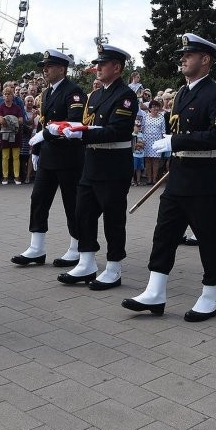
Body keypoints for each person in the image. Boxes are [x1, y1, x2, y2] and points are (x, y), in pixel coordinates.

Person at [122, 34, 216, 321]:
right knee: (164, 234)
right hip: (179, 174)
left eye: (189, 55)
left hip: (204, 177)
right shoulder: (182, 93)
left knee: (208, 238)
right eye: (183, 55)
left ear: (205, 59)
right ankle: (155, 292)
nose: (182, 59)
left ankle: (210, 295)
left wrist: (177, 142)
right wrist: (174, 145)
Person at [57, 44, 137, 290]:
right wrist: (67, 129)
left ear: (117, 67)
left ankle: (113, 268)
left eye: (103, 64)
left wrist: (82, 134)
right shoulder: (95, 95)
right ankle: (87, 262)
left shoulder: (125, 95)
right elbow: (87, 123)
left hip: (113, 165)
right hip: (92, 163)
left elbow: (117, 130)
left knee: (113, 218)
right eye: (97, 64)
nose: (98, 68)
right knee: (83, 214)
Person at [12, 50, 86, 267]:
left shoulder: (73, 92)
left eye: (49, 66)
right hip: (48, 155)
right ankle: (36, 248)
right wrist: (37, 149)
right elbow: (44, 124)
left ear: (62, 69)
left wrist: (47, 134)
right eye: (44, 67)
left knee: (72, 203)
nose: (45, 70)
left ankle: (76, 247)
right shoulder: (46, 93)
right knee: (39, 199)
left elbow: (74, 123)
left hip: (68, 157)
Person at [0, 85, 24, 184]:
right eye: (5, 94)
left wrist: (9, 119)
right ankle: (5, 176)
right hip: (5, 134)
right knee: (5, 156)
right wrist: (12, 120)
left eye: (9, 94)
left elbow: (21, 120)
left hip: (16, 134)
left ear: (12, 96)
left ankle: (16, 176)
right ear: (3, 96)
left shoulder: (17, 107)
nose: (7, 96)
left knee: (16, 156)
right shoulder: (1, 107)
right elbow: (0, 119)